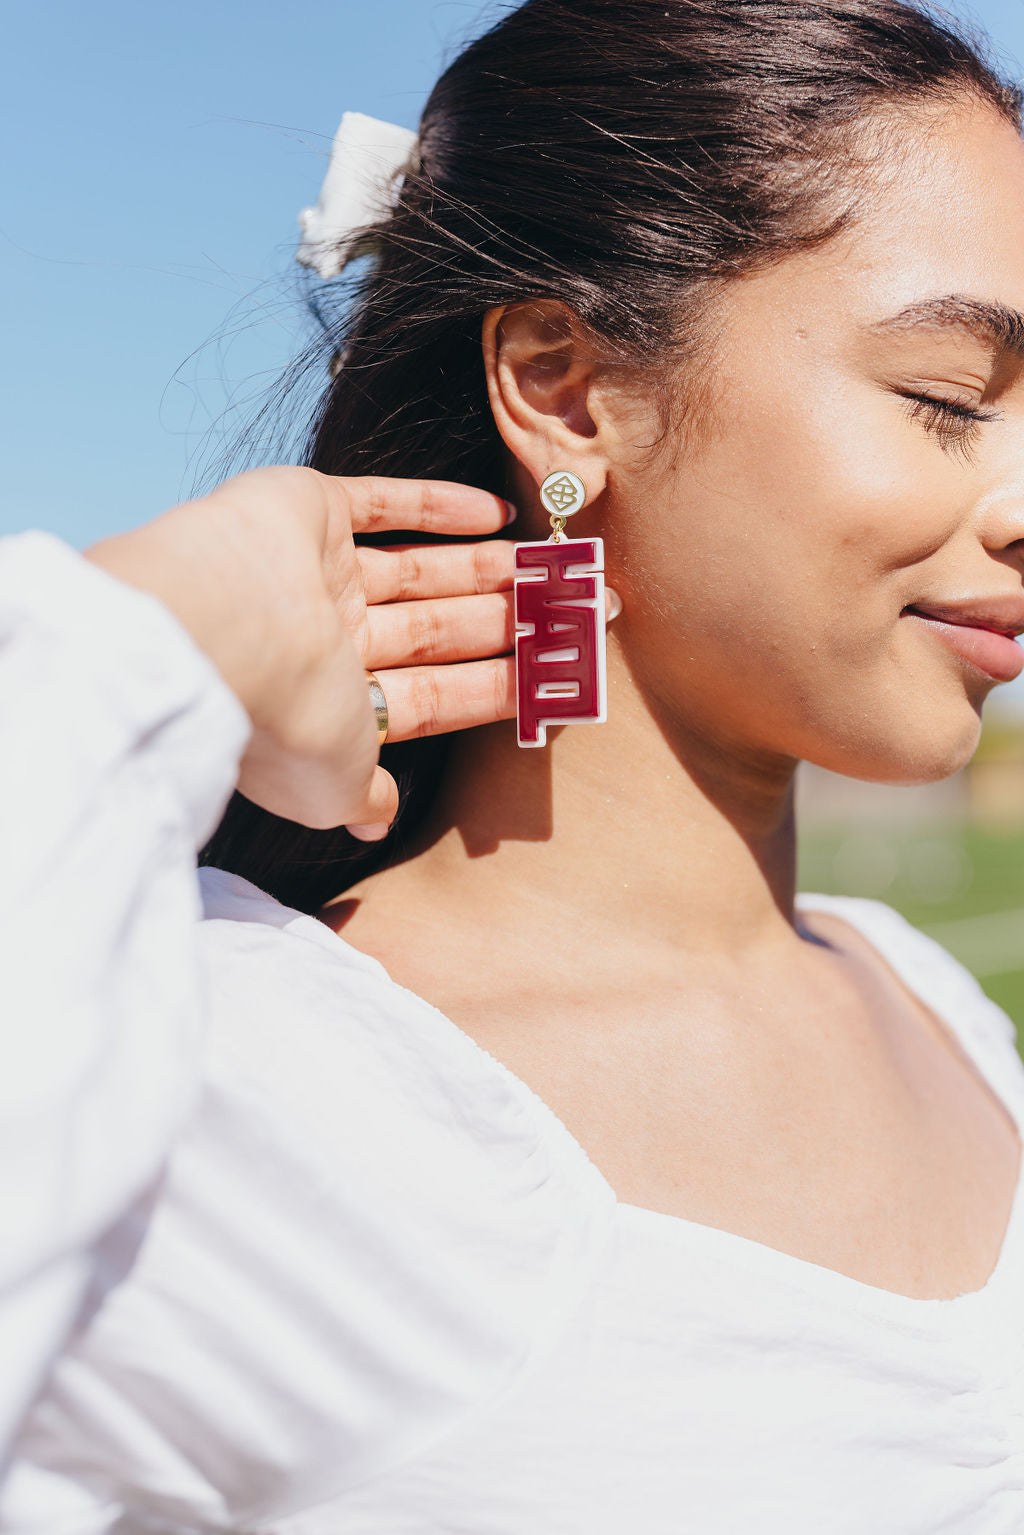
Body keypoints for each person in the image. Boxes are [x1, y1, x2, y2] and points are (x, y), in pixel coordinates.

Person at [4, 0, 1024, 1527]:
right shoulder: (251, 1082)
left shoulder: (938, 1008)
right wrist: (160, 632)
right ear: (560, 383)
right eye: (948, 399)